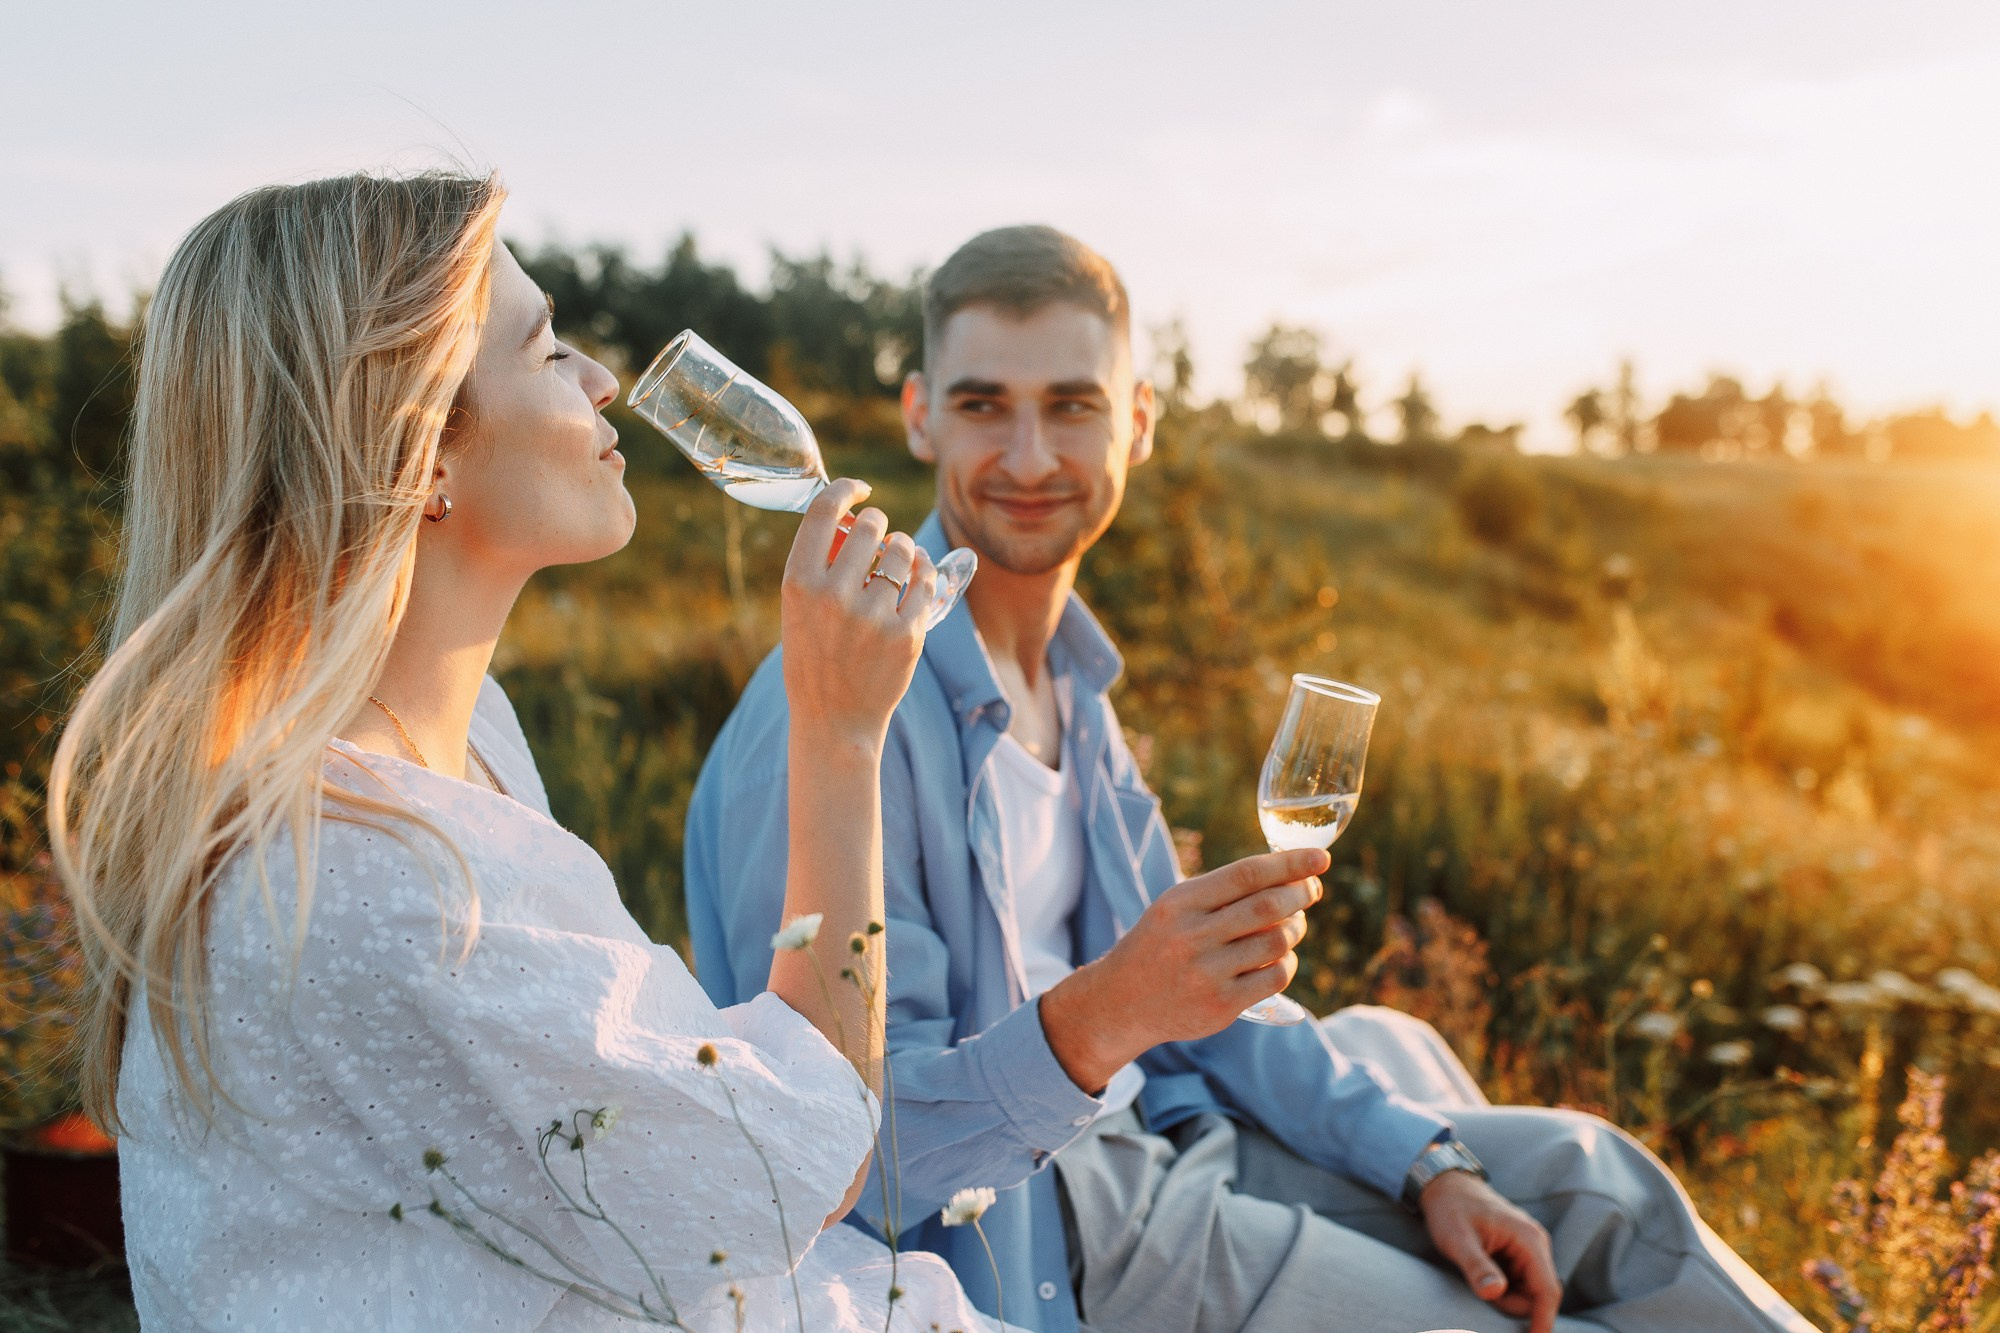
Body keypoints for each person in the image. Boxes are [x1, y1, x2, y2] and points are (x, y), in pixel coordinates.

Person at [684, 225, 1820, 1333]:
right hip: (1057, 1221)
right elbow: (839, 1154)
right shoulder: (835, 712)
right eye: (984, 405)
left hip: (1177, 1123)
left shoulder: (1077, 683)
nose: (1028, 458)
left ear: (1136, 422)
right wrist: (1107, 1014)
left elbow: (1199, 1011)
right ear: (920, 415)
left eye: (1072, 406)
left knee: (1597, 1182)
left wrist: (1425, 1162)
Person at [49, 171, 1019, 1332]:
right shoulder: (370, 876)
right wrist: (840, 730)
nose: (602, 379)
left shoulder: (454, 751)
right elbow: (798, 1169)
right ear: (420, 451)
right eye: (548, 347)